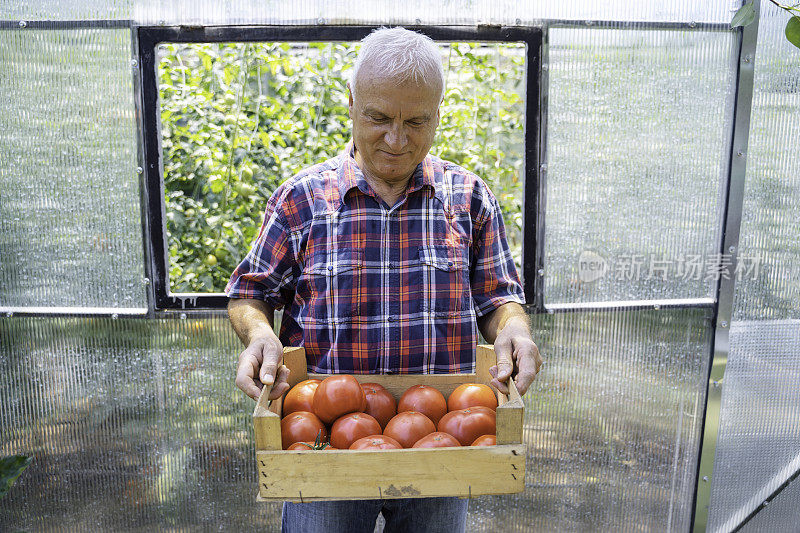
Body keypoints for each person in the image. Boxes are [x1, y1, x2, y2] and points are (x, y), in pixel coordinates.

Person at [225, 26, 542, 533]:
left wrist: (515, 330)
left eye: (416, 121)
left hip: (443, 447)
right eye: (377, 118)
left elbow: (499, 297)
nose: (396, 140)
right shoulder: (302, 200)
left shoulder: (469, 199)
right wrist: (259, 334)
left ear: (439, 113)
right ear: (350, 103)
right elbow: (250, 292)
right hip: (324, 446)